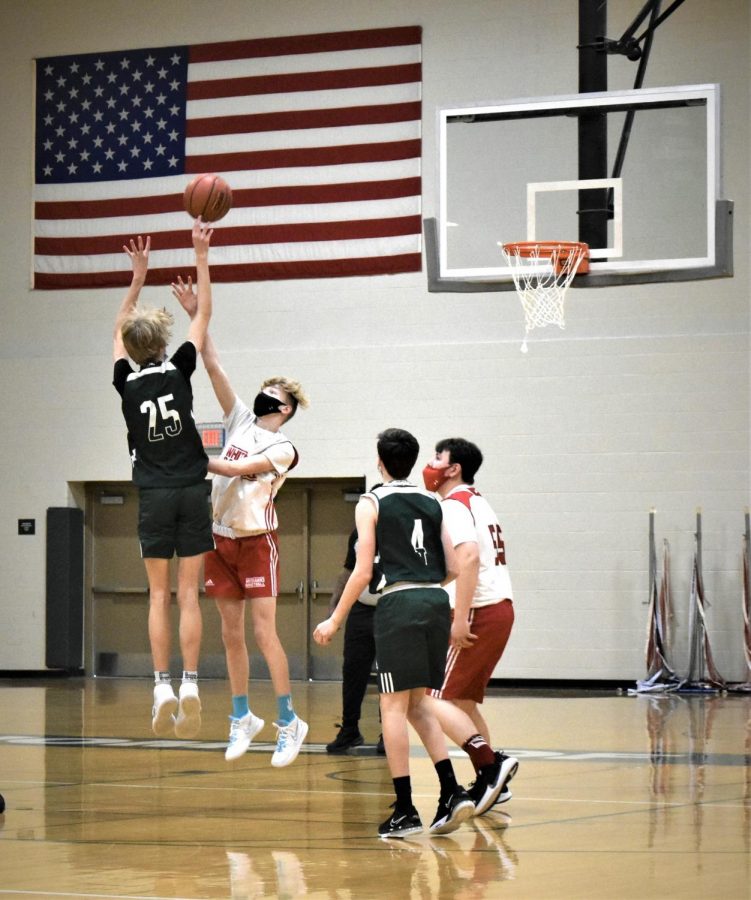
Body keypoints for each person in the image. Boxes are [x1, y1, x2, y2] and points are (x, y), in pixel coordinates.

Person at [171, 275, 309, 768]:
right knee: (229, 635)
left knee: (263, 633)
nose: (264, 399)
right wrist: (196, 318)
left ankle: (290, 720)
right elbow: (212, 363)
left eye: (274, 396)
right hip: (220, 541)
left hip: (257, 543)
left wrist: (189, 457)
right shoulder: (239, 421)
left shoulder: (283, 447)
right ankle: (242, 717)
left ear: (286, 410)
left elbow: (233, 468)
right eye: (264, 392)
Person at [314, 428, 475, 839]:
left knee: (392, 706)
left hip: (398, 603)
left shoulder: (371, 502)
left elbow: (363, 571)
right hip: (436, 602)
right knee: (418, 704)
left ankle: (405, 808)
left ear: (380, 461)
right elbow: (454, 567)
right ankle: (451, 790)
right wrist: (424, 586)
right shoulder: (432, 500)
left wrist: (334, 619)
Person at [112, 221, 215, 739]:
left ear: (131, 349)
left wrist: (137, 278)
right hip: (193, 491)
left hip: (152, 493)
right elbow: (204, 318)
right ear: (163, 343)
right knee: (190, 595)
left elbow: (116, 331)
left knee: (158, 597)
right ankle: (192, 683)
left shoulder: (124, 381)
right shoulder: (179, 371)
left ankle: (161, 685)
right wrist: (200, 255)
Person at [422, 437, 519, 811]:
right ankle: (494, 782)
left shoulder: (455, 505)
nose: (430, 463)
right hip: (498, 609)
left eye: (437, 457)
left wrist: (459, 618)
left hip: (479, 611)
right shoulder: (479, 500)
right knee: (461, 701)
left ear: (453, 468)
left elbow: (470, 559)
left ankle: (490, 766)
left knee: (432, 699)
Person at [325, 512, 385, 755]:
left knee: (388, 675)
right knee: (352, 671)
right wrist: (334, 609)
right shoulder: (358, 534)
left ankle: (387, 733)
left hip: (390, 607)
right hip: (361, 609)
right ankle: (349, 730)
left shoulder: (398, 532)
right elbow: (348, 572)